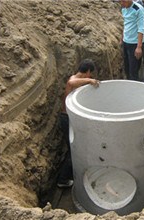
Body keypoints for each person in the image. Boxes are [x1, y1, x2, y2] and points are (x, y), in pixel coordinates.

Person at [57, 59, 100, 188]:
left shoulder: (78, 80)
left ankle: (69, 174)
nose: (90, 76)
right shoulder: (73, 80)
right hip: (66, 119)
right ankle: (62, 180)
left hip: (70, 119)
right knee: (74, 150)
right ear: (87, 71)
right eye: (90, 74)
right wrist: (89, 81)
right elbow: (71, 82)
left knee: (74, 148)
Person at [120, 0, 144, 81]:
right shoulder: (124, 8)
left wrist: (139, 47)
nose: (122, 4)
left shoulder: (138, 9)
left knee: (133, 71)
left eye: (124, 2)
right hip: (126, 42)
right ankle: (128, 85)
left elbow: (141, 29)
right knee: (127, 68)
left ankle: (134, 89)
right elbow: (126, 24)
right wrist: (122, 38)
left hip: (134, 44)